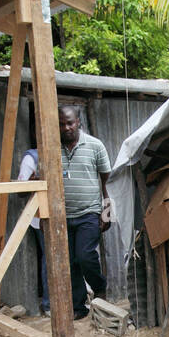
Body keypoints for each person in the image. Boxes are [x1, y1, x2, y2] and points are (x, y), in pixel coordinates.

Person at [58, 106, 111, 320]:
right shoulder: (51, 146)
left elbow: (107, 178)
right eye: (62, 124)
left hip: (89, 212)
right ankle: (79, 307)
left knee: (85, 255)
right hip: (62, 215)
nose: (67, 127)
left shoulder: (95, 145)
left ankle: (99, 288)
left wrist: (106, 210)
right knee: (70, 262)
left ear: (78, 122)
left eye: (70, 122)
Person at [15, 147, 50, 315]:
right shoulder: (32, 158)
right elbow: (20, 192)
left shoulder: (67, 151)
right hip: (40, 218)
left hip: (69, 215)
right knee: (49, 259)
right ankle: (49, 303)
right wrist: (33, 182)